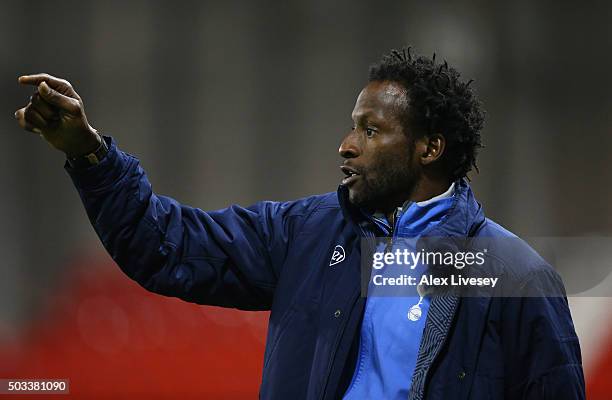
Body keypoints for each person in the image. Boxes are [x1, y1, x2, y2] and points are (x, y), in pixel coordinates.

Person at [15, 48, 585, 399]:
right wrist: (90, 155)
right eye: (351, 126)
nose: (345, 145)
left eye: (370, 130)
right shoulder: (306, 233)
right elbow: (165, 245)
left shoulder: (509, 274)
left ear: (429, 148)